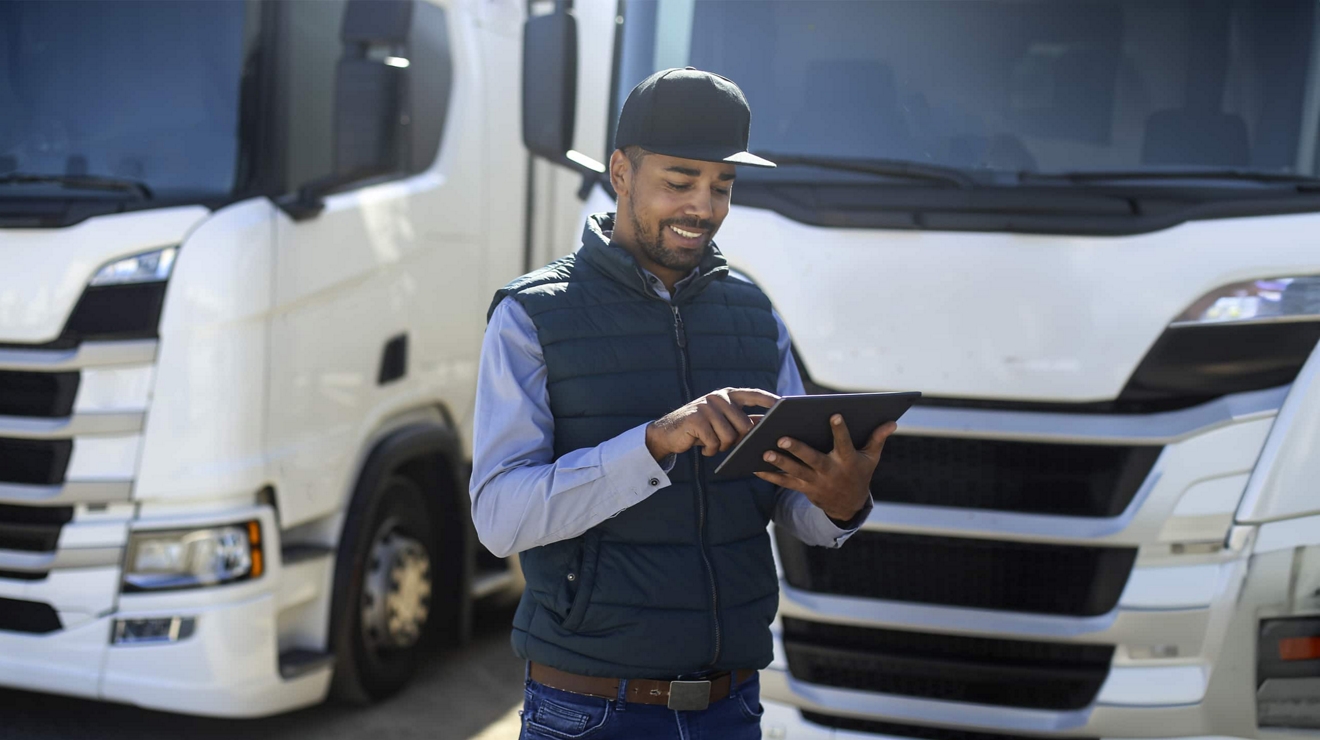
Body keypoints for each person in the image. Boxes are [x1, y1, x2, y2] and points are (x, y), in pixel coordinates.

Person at [469, 68, 898, 740]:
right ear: (620, 171)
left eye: (721, 186)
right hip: (588, 710)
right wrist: (654, 442)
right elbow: (499, 519)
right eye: (680, 181)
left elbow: (789, 503)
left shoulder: (756, 314)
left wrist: (839, 502)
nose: (703, 205)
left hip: (732, 707)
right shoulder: (531, 316)